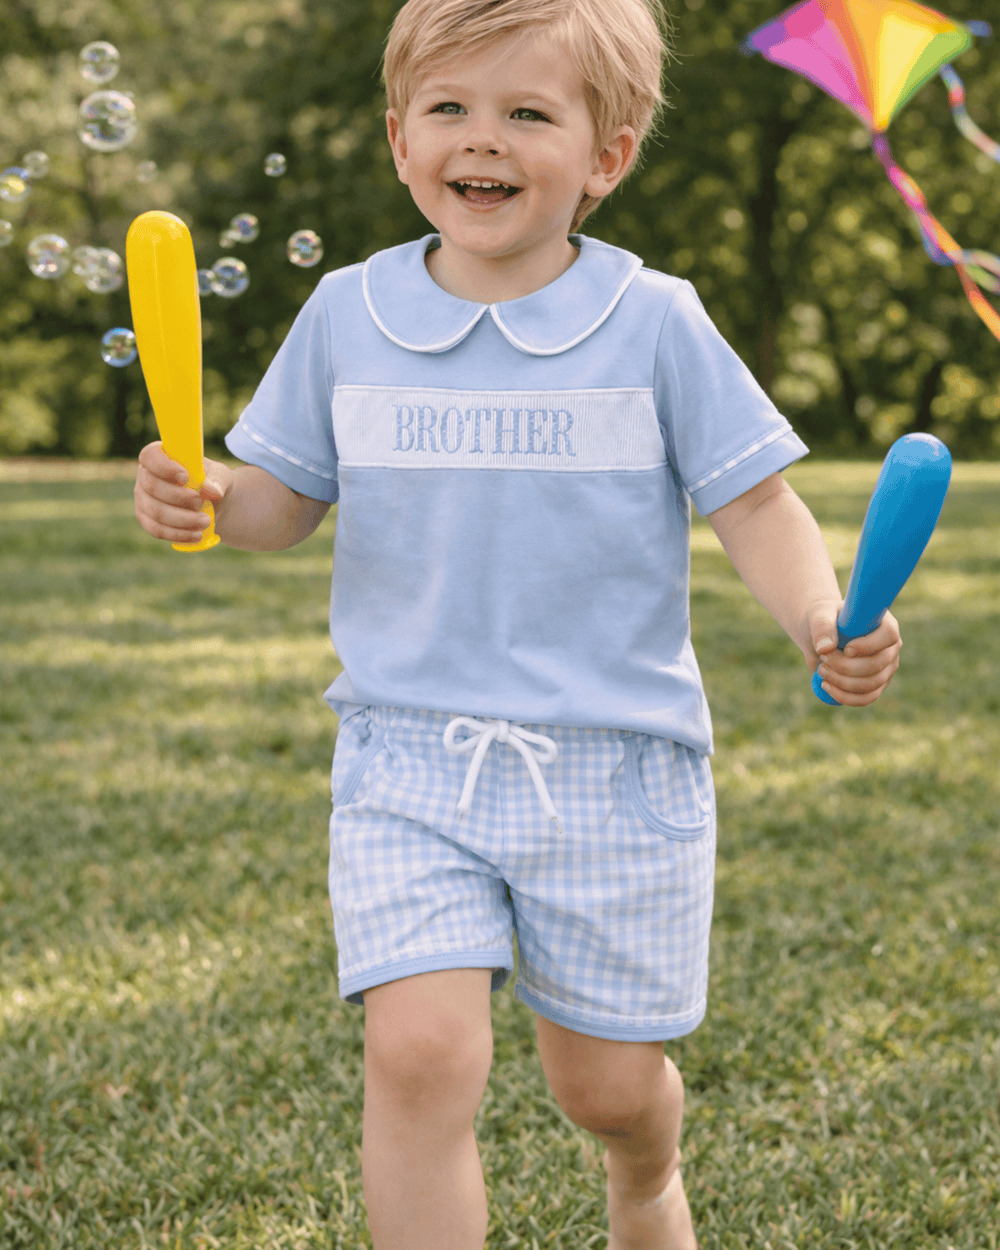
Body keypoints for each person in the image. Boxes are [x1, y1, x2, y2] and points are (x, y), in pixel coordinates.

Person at [133, 0, 903, 1246]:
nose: (478, 139)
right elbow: (278, 506)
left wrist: (821, 613)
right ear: (398, 137)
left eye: (525, 113)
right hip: (408, 758)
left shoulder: (655, 322)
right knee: (420, 1051)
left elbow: (757, 503)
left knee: (599, 1087)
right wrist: (206, 498)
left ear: (607, 154)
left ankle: (645, 1171)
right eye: (448, 108)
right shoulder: (347, 312)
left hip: (611, 763)